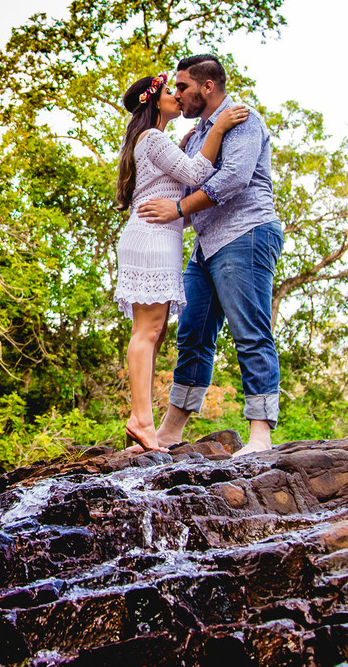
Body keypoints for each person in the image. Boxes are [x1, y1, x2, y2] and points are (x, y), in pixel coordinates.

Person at [137, 54, 283, 457]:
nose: (177, 93)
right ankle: (170, 431)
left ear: (207, 86)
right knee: (193, 334)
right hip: (207, 246)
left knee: (250, 330)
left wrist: (179, 209)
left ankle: (260, 435)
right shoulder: (198, 134)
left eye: (182, 86)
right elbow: (188, 188)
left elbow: (233, 178)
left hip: (246, 234)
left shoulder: (242, 118)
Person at [113, 72, 247, 453]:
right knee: (147, 332)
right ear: (154, 101)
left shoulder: (156, 140)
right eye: (169, 91)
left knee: (152, 334)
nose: (176, 95)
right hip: (151, 240)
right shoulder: (153, 138)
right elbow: (196, 174)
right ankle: (141, 420)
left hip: (158, 238)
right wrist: (218, 128)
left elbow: (176, 192)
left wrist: (187, 147)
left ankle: (141, 426)